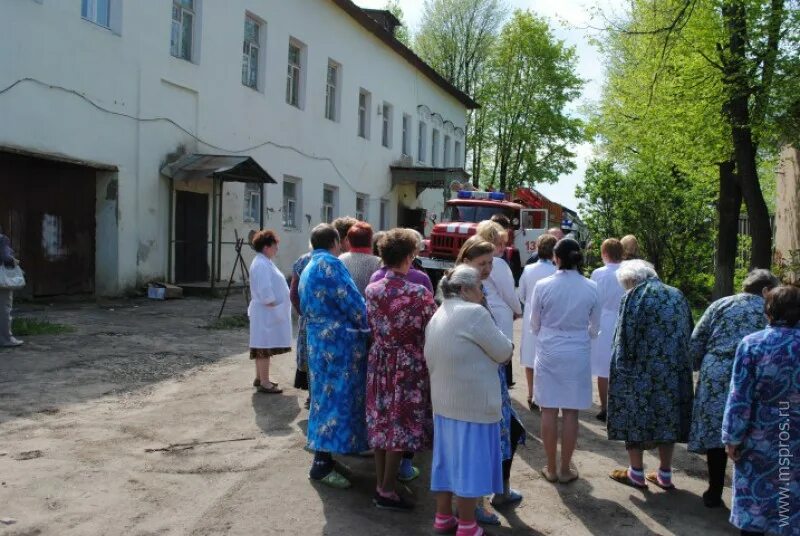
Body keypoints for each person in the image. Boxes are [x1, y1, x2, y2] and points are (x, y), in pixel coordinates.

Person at [425, 265, 514, 536]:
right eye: (480, 287)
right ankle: (466, 524)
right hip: (472, 405)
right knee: (469, 467)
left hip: (444, 403)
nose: (482, 292)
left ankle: (443, 517)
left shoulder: (440, 312)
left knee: (447, 463)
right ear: (464, 289)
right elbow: (503, 351)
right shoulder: (474, 313)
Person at [688, 269, 780, 508]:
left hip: (717, 373)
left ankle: (714, 490)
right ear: (766, 290)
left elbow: (697, 340)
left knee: (717, 432)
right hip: (756, 373)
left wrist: (700, 366)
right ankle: (750, 494)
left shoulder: (721, 304)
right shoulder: (770, 309)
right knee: (750, 431)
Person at [365, 229, 437, 510]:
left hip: (379, 360)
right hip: (407, 365)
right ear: (408, 257)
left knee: (382, 423)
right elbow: (432, 328)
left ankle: (382, 484)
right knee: (400, 428)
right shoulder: (418, 293)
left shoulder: (372, 290)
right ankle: (386, 490)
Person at [607, 260, 694, 490]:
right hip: (674, 370)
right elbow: (689, 332)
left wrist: (619, 370)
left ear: (633, 280)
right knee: (668, 418)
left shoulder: (634, 296)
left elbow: (623, 337)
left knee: (634, 417)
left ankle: (636, 472)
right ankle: (664, 474)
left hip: (641, 371)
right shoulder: (677, 294)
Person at [456, 236, 524, 519]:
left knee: (508, 433)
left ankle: (500, 491)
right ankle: (475, 507)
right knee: (481, 444)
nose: (486, 268)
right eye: (481, 263)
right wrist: (502, 349)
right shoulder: (462, 293)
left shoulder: (476, 289)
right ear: (466, 261)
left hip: (490, 378)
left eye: (490, 263)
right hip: (476, 380)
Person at [723, 285, 799, 536]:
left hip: (758, 438)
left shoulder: (752, 344)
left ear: (769, 312)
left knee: (755, 511)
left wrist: (732, 438)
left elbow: (739, 397)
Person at [299, 223, 370, 489]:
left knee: (322, 400)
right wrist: (369, 326)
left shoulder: (309, 264)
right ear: (335, 241)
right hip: (337, 345)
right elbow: (352, 301)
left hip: (318, 341)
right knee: (335, 401)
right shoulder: (331, 264)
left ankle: (326, 456)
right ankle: (321, 463)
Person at [530, 238, 600, 484]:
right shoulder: (591, 287)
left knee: (548, 409)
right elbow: (595, 328)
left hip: (549, 349)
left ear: (555, 258)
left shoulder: (543, 285)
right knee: (571, 413)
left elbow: (533, 324)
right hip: (577, 352)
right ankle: (565, 468)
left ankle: (550, 467)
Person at [475, 220, 522, 388]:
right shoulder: (498, 263)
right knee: (500, 356)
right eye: (499, 244)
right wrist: (518, 310)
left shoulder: (475, 259)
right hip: (500, 314)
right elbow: (508, 293)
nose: (503, 248)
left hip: (483, 311)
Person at [516, 233, 558, 410]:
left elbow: (522, 295)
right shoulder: (557, 271)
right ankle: (545, 395)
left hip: (531, 317)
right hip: (551, 319)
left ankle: (531, 393)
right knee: (547, 358)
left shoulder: (529, 269)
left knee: (530, 356)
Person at [247, 230, 291, 394]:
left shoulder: (264, 261)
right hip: (266, 312)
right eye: (274, 246)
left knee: (262, 346)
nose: (276, 249)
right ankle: (264, 382)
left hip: (267, 312)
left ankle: (260, 377)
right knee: (263, 347)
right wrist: (272, 303)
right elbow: (264, 288)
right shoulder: (261, 264)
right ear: (266, 247)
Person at [589, 238, 626, 422]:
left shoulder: (598, 273)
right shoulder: (628, 272)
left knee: (603, 368)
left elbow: (592, 298)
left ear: (605, 253)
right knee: (620, 367)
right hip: (623, 320)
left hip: (603, 320)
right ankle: (619, 407)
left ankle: (605, 407)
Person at [289, 250, 312, 402]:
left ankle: (311, 394)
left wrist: (301, 311)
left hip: (306, 317)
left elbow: (293, 292)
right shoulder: (335, 260)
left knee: (309, 356)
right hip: (324, 320)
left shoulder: (302, 260)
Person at [340, 222, 383, 296]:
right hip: (367, 305)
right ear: (370, 240)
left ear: (350, 240)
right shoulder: (377, 262)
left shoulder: (341, 258)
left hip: (346, 305)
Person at [0, 224, 22, 348]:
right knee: (4, 309)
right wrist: (14, 260)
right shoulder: (2, 239)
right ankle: (5, 338)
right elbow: (5, 257)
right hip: (2, 280)